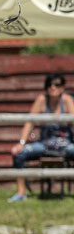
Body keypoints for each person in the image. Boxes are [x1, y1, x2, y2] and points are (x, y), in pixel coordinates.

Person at [8, 73, 74, 202]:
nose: (53, 87)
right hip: (44, 144)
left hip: (65, 144)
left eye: (57, 84)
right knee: (19, 154)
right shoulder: (42, 100)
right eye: (50, 84)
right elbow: (29, 122)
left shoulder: (66, 100)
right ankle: (21, 192)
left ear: (62, 87)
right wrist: (21, 143)